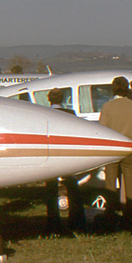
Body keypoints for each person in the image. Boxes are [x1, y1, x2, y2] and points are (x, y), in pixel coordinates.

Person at [98, 77, 132, 230]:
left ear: (113, 89)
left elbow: (102, 129)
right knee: (131, 186)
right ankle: (131, 220)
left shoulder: (107, 107)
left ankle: (110, 218)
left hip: (113, 151)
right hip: (129, 151)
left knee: (110, 186)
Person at [44, 88, 86, 234]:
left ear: (49, 99)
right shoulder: (71, 114)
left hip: (51, 156)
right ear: (62, 99)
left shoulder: (43, 114)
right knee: (72, 187)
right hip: (67, 155)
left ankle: (53, 224)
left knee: (50, 189)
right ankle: (77, 221)